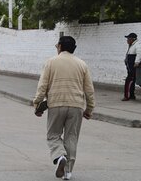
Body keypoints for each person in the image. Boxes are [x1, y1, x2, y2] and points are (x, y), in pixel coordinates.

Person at [33, 36, 95, 180]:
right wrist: (89, 109)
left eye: (57, 45)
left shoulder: (51, 62)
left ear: (60, 46)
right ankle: (68, 172)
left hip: (56, 104)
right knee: (71, 137)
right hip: (76, 106)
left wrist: (37, 104)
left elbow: (42, 86)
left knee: (53, 135)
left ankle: (60, 156)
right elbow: (89, 90)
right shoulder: (82, 64)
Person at [123, 33, 141, 101]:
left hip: (134, 67)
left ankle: (127, 96)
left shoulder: (138, 45)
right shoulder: (132, 45)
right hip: (130, 67)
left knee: (129, 81)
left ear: (132, 39)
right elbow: (129, 55)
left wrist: (137, 62)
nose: (127, 40)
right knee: (132, 81)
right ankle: (131, 95)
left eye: (128, 39)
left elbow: (140, 54)